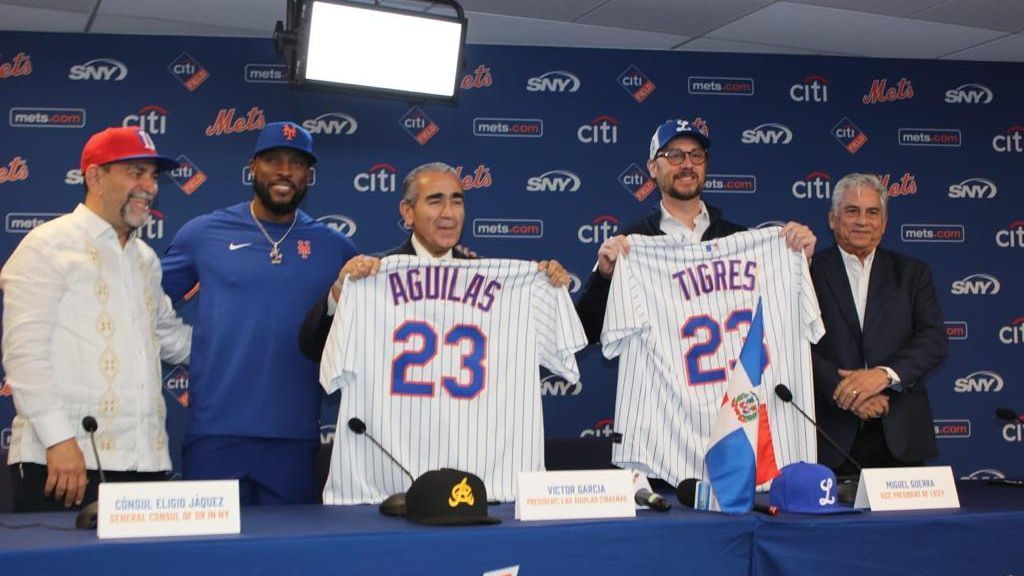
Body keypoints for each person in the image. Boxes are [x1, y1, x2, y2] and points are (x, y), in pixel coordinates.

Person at [161, 121, 357, 505]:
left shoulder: (335, 248)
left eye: (296, 163)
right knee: (209, 560)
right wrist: (194, 347)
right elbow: (144, 304)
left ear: (309, 176)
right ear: (253, 167)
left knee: (287, 561)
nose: (284, 171)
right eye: (272, 160)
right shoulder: (203, 234)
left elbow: (378, 314)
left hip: (293, 434)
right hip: (216, 432)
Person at [1, 126, 191, 512]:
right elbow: (24, 356)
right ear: (95, 177)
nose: (149, 186)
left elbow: (171, 339)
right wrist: (58, 439)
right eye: (136, 172)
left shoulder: (145, 260)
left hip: (146, 461)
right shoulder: (47, 245)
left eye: (153, 176)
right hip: (65, 463)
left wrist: (251, 340)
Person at [575, 118, 817, 343]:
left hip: (730, 386)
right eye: (674, 155)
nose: (688, 164)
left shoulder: (739, 239)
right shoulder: (630, 243)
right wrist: (605, 279)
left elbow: (782, 315)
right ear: (652, 168)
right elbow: (587, 330)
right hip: (658, 388)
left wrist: (799, 263)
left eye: (696, 155)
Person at [299, 161, 569, 362]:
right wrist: (338, 293)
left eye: (457, 202)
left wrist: (552, 292)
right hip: (394, 432)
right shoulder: (374, 275)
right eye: (435, 201)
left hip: (468, 430)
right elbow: (314, 347)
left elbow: (559, 341)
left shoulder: (490, 278)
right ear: (408, 212)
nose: (448, 214)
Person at [810, 173, 948, 474]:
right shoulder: (806, 273)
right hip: (830, 436)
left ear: (884, 224)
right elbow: (794, 346)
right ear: (832, 219)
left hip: (900, 433)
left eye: (872, 212)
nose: (863, 221)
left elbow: (933, 339)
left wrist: (883, 376)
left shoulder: (913, 273)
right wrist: (848, 392)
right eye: (852, 211)